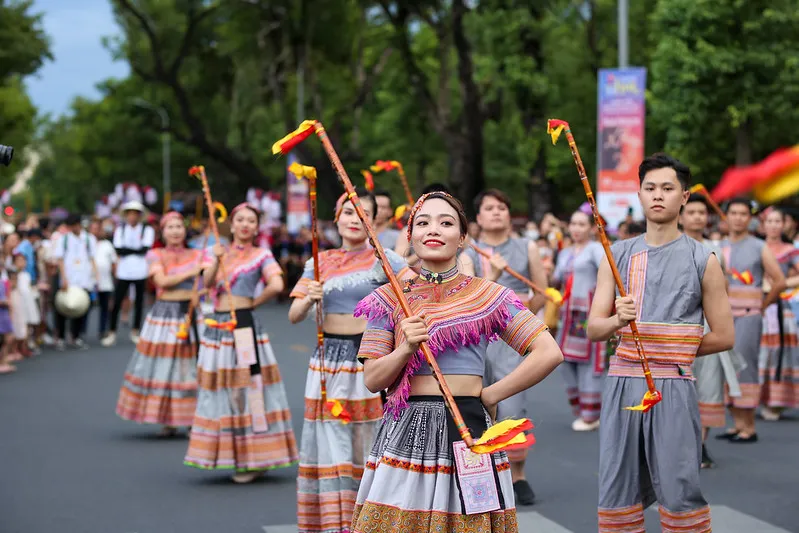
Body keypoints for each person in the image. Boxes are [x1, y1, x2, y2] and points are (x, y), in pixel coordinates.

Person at [351, 191, 563, 533]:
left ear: (462, 237)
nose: (433, 229)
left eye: (446, 222)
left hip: (469, 428)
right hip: (407, 429)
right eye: (423, 222)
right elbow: (373, 379)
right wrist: (404, 349)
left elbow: (549, 352)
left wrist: (491, 395)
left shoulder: (488, 295)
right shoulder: (388, 298)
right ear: (410, 235)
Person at [587, 154, 734, 532]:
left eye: (668, 188)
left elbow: (724, 335)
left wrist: (670, 346)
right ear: (639, 193)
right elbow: (593, 328)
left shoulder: (704, 258)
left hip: (674, 383)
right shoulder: (615, 254)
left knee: (679, 485)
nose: (658, 196)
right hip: (622, 383)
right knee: (617, 486)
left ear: (684, 196)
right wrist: (618, 321)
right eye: (650, 188)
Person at [288, 190, 411, 533]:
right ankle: (335, 522)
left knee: (368, 437)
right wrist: (309, 298)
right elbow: (294, 314)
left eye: (364, 213)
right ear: (336, 217)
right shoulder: (318, 260)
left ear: (374, 220)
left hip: (369, 358)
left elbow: (414, 296)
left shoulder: (386, 259)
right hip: (327, 360)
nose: (355, 219)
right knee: (329, 440)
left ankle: (370, 520)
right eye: (348, 212)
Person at [184, 203, 298, 483]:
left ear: (257, 227)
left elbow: (277, 285)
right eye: (240, 220)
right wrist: (217, 261)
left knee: (250, 387)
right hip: (218, 326)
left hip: (244, 325)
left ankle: (255, 456)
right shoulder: (217, 252)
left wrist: (251, 304)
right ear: (232, 225)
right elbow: (206, 284)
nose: (245, 225)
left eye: (251, 220)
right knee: (222, 387)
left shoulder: (262, 254)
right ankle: (231, 452)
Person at [461, 188, 547, 506]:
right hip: (478, 336)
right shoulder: (468, 250)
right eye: (489, 208)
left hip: (514, 335)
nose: (497, 212)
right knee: (474, 402)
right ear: (478, 217)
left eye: (502, 207)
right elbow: (469, 293)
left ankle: (518, 475)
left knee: (511, 406)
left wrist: (523, 320)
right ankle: (483, 474)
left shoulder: (527, 247)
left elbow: (540, 290)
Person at [116, 212, 209, 436]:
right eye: (171, 227)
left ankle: (191, 419)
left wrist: (204, 284)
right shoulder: (155, 254)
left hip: (191, 314)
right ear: (163, 232)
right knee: (165, 367)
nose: (176, 231)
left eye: (179, 226)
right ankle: (168, 420)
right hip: (165, 315)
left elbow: (213, 280)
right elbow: (162, 281)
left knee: (191, 367)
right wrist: (193, 270)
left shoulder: (198, 253)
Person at [681, 193, 742, 468]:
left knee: (708, 388)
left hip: (707, 327)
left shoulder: (714, 251)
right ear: (680, 216)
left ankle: (700, 444)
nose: (697, 217)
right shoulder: (671, 248)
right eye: (691, 212)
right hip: (676, 327)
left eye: (701, 213)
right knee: (677, 386)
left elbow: (723, 293)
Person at [718, 198, 785, 442]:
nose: (737, 218)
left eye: (743, 213)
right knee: (726, 368)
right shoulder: (720, 246)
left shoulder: (759, 246)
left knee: (745, 368)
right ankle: (736, 423)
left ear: (751, 218)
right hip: (724, 316)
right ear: (726, 217)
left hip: (749, 315)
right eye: (733, 213)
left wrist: (762, 305)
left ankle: (749, 426)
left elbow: (779, 280)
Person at [552, 207, 606, 432]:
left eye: (581, 224)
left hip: (588, 312)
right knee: (564, 360)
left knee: (589, 362)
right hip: (568, 314)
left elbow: (608, 275)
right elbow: (556, 279)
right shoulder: (565, 252)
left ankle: (591, 414)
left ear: (592, 228)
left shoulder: (596, 249)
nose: (576, 229)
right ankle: (581, 407)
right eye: (573, 224)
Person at [757, 207, 799, 420]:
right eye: (769, 221)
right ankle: (754, 399)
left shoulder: (790, 250)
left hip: (779, 308)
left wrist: (780, 284)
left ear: (784, 224)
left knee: (777, 354)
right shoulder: (754, 247)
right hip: (755, 306)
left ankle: (776, 402)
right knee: (755, 354)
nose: (773, 225)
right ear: (763, 225)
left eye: (777, 221)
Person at [103, 201, 156, 346]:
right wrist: (135, 250)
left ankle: (135, 330)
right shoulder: (120, 230)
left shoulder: (147, 229)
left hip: (140, 270)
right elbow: (119, 249)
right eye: (130, 214)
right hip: (124, 271)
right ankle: (112, 331)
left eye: (135, 214)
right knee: (117, 301)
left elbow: (145, 249)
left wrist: (130, 250)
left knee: (139, 302)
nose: (132, 217)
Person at [52, 214, 98, 350]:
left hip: (84, 279)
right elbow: (60, 259)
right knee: (63, 308)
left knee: (81, 308)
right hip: (69, 278)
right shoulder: (64, 239)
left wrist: (95, 277)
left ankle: (76, 336)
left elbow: (92, 258)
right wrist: (64, 278)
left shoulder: (89, 239)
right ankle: (60, 337)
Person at [90, 220, 117, 339]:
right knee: (85, 307)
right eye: (93, 228)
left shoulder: (107, 244)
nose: (96, 231)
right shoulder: (85, 242)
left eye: (98, 229)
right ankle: (78, 333)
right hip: (89, 282)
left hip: (105, 281)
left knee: (105, 307)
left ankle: (103, 330)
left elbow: (114, 263)